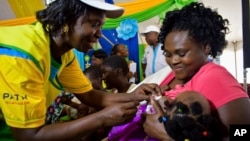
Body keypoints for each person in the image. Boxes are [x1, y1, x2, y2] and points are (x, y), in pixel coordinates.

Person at [0, 0, 161, 140]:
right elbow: (27, 136)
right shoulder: (22, 55)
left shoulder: (64, 55)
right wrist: (102, 118)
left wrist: (133, 96)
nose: (99, 34)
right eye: (95, 24)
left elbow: (89, 95)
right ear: (66, 20)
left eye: (101, 26)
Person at [142, 2, 250, 141]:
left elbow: (243, 134)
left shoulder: (215, 77)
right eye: (168, 54)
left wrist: (165, 136)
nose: (173, 61)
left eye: (181, 53)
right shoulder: (173, 75)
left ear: (206, 47)